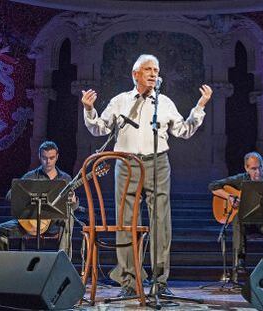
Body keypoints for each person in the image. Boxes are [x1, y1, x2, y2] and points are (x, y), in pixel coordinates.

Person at [81, 54, 212, 296]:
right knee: (126, 221)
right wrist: (89, 109)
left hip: (158, 162)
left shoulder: (165, 103)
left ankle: (160, 283)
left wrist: (200, 107)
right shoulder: (120, 101)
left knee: (160, 222)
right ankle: (130, 281)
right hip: (126, 163)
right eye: (148, 69)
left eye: (156, 70)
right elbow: (99, 128)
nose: (153, 73)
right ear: (135, 74)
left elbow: (183, 131)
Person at [208, 152, 263, 274]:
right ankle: (239, 262)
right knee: (238, 218)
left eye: (260, 167)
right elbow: (213, 186)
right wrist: (229, 196)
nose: (258, 172)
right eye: (253, 169)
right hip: (245, 223)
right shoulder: (241, 179)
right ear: (246, 168)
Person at [0, 141, 77, 258]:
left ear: (57, 157)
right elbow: (10, 196)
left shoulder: (65, 179)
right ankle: (3, 265)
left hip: (53, 224)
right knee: (0, 229)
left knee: (69, 216)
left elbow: (73, 206)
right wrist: (25, 195)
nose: (48, 161)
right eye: (44, 158)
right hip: (30, 223)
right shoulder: (30, 176)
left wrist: (73, 202)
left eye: (51, 158)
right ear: (39, 157)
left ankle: (63, 260)